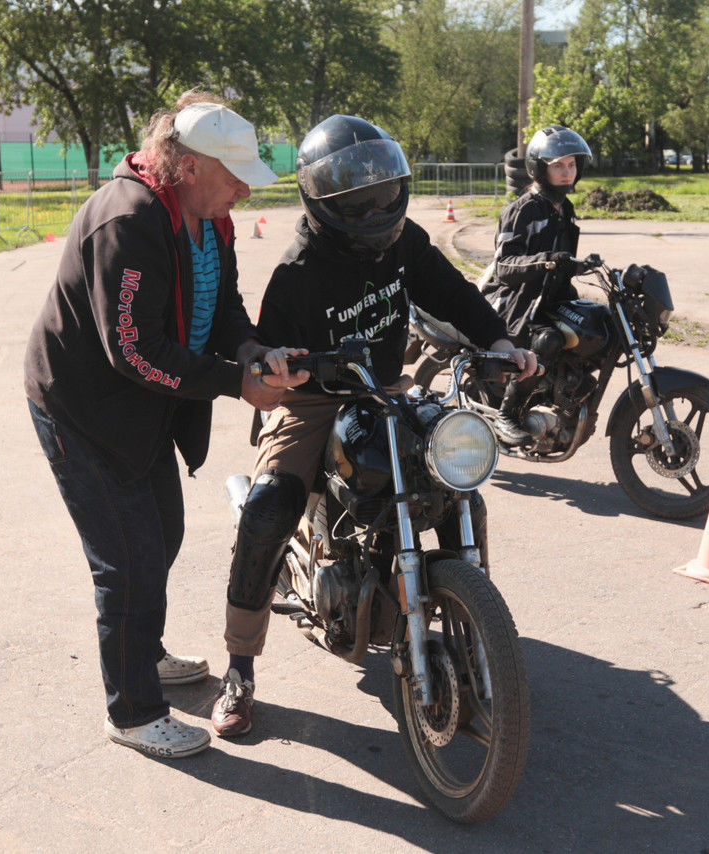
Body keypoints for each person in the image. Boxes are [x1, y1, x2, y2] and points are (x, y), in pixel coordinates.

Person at [210, 114, 536, 738]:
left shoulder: (403, 240)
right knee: (269, 509)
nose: (374, 204)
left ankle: (472, 634)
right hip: (312, 401)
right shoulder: (297, 271)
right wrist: (286, 363)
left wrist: (499, 340)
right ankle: (239, 669)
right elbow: (267, 357)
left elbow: (452, 292)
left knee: (455, 485)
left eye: (382, 190)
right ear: (324, 199)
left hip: (386, 391)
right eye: (357, 196)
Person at [24, 91, 308, 758]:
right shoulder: (128, 221)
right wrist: (238, 385)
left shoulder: (209, 218)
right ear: (189, 166)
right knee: (128, 563)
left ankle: (141, 655)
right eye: (234, 174)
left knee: (164, 532)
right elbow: (134, 350)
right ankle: (132, 712)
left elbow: (224, 304)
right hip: (83, 410)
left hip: (142, 406)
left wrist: (252, 351)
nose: (243, 188)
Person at [479, 124, 594, 445]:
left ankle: (565, 404)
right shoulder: (523, 210)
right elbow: (504, 266)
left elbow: (562, 262)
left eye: (571, 164)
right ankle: (507, 413)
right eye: (558, 165)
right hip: (517, 303)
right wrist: (545, 260)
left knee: (595, 332)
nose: (566, 171)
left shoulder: (565, 210)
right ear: (539, 167)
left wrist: (579, 265)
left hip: (548, 302)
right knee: (547, 342)